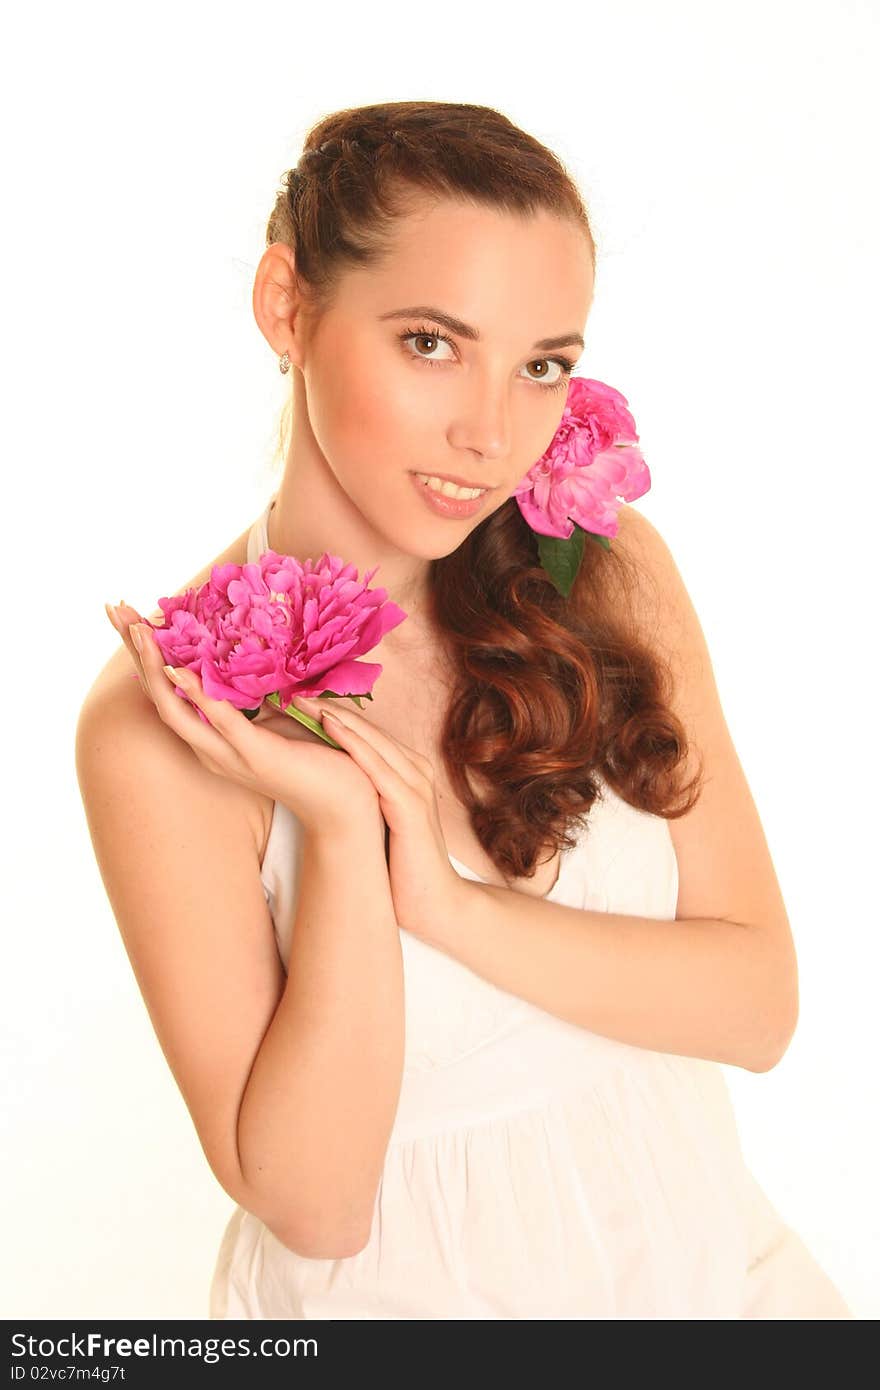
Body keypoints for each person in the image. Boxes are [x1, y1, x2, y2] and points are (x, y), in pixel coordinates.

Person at [75, 100, 854, 1319]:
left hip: (710, 1275)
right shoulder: (168, 727)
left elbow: (756, 1009)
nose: (493, 434)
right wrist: (340, 835)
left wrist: (445, 906)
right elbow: (320, 1206)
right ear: (288, 307)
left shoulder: (603, 571)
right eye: (432, 342)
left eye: (542, 363)